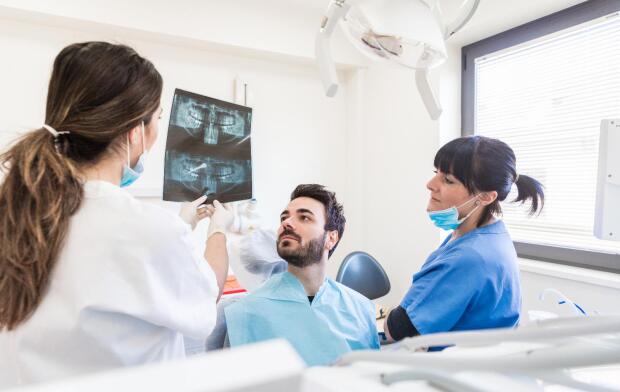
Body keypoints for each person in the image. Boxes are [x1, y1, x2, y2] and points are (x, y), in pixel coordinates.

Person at [0, 42, 232, 387]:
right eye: (157, 119)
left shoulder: (18, 208)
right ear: (135, 132)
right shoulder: (147, 230)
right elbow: (206, 293)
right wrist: (218, 230)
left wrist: (179, 225)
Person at [384, 135, 545, 346]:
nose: (430, 184)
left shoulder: (469, 257)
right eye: (436, 173)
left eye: (448, 180)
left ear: (486, 197)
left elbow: (396, 330)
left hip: (456, 370)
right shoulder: (490, 234)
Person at [222, 184, 379, 366]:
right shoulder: (246, 312)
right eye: (284, 217)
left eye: (304, 217)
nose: (286, 223)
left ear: (331, 238)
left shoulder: (361, 309)